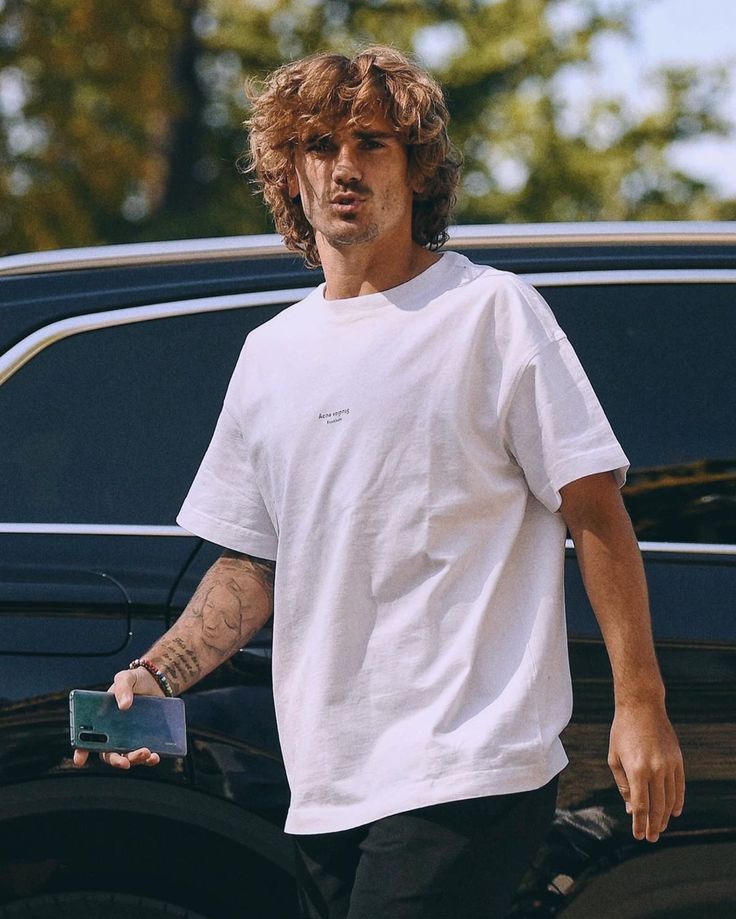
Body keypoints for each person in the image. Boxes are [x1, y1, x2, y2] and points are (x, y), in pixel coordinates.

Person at [74, 46, 685, 918]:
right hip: (326, 781)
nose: (344, 166)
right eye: (319, 145)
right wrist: (157, 674)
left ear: (417, 169)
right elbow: (253, 567)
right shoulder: (270, 355)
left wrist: (641, 705)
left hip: (469, 765)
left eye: (373, 143)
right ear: (291, 172)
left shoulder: (490, 313)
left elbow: (595, 511)